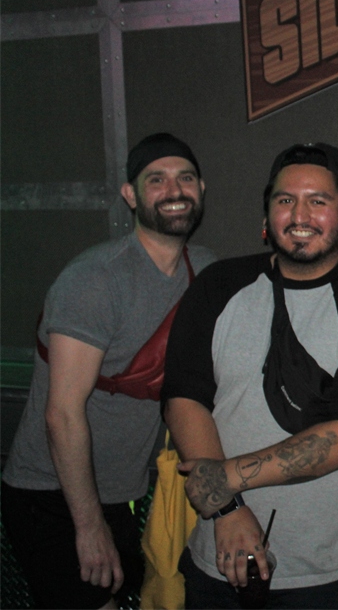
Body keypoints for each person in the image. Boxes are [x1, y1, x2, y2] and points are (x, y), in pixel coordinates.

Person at [161, 143, 338, 609]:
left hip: (326, 577)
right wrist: (227, 510)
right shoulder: (217, 285)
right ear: (267, 213)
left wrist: (225, 481)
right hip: (215, 562)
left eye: (319, 200)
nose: (299, 215)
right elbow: (183, 398)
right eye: (285, 199)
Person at [1, 133, 214, 609]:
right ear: (130, 195)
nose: (174, 190)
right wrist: (89, 525)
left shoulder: (203, 269)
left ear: (201, 189)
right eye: (156, 180)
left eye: (185, 178)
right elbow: (62, 414)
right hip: (52, 495)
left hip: (120, 494)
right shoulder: (95, 280)